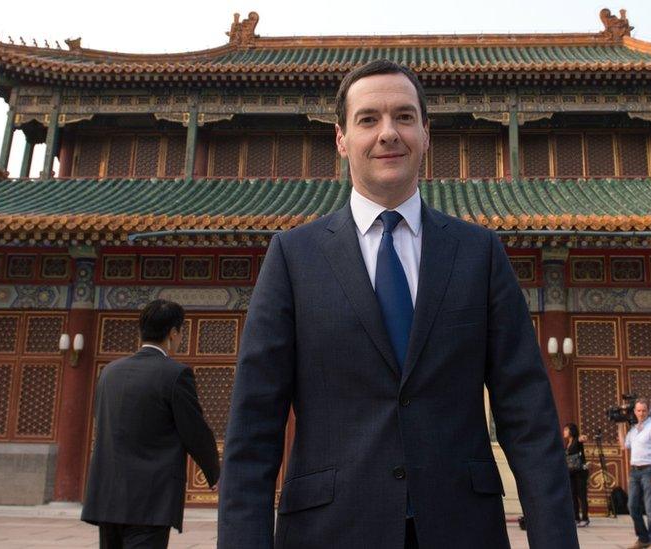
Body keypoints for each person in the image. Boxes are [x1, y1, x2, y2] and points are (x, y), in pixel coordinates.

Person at [217, 59, 578, 549]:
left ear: (427, 134)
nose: (389, 133)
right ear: (341, 139)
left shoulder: (479, 253)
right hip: (329, 530)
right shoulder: (293, 257)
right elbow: (254, 427)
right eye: (368, 120)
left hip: (461, 528)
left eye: (405, 117)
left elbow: (528, 415)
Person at [81, 299, 220, 549]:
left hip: (108, 495)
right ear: (173, 333)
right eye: (180, 333)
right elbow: (195, 432)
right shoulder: (175, 374)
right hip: (149, 498)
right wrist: (216, 473)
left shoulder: (109, 372)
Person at [617, 398, 651, 549]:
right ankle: (643, 538)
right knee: (632, 506)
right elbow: (623, 446)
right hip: (634, 472)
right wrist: (620, 426)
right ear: (635, 412)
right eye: (638, 410)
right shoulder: (633, 429)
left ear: (648, 411)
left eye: (644, 410)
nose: (641, 413)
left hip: (649, 471)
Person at [563, 423, 590, 527]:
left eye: (566, 430)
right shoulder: (567, 444)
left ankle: (585, 518)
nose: (564, 432)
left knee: (581, 495)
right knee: (573, 495)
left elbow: (582, 438)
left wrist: (583, 437)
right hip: (570, 472)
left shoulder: (577, 441)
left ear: (571, 431)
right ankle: (576, 518)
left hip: (580, 472)